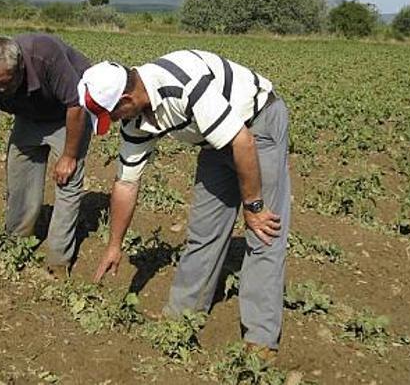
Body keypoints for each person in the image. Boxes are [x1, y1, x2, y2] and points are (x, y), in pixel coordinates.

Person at [77, 50, 290, 353]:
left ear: (126, 99)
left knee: (263, 230)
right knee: (204, 230)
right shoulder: (135, 119)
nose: (113, 122)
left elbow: (243, 141)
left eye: (111, 114)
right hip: (214, 138)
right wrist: (114, 244)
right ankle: (181, 317)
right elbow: (126, 182)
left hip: (257, 125)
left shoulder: (182, 83)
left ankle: (260, 336)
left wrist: (253, 207)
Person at [0, 33, 91, 278]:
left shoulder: (44, 55)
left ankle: (58, 260)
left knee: (68, 180)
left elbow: (76, 105)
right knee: (20, 179)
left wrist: (68, 156)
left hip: (70, 112)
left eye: (7, 82)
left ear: (21, 67)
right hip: (30, 115)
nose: (2, 89)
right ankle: (17, 244)